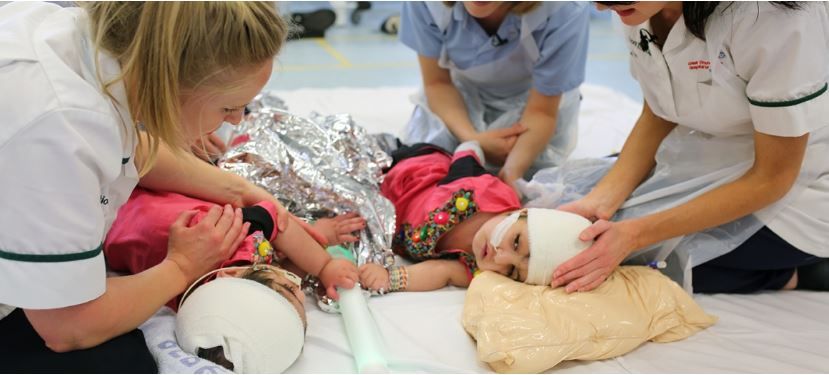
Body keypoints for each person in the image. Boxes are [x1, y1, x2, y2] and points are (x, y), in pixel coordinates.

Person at [0, 2, 351, 372]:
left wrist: (244, 192)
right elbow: (67, 327)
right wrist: (181, 267)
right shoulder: (60, 124)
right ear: (168, 82)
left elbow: (133, 147)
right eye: (228, 106)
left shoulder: (81, 42)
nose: (237, 119)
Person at [549, 2, 829, 294]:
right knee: (578, 206)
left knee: (651, 263)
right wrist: (600, 200)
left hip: (795, 184)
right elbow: (660, 109)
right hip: (713, 153)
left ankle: (800, 274)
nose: (600, 6)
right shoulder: (635, 8)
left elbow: (772, 178)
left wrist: (635, 236)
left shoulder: (775, 19)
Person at [358, 141, 593, 292]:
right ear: (519, 213)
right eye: (516, 242)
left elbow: (441, 272)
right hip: (404, 166)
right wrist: (479, 142)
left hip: (378, 212)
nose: (500, 259)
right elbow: (467, 152)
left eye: (512, 271)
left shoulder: (479, 269)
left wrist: (390, 278)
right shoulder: (480, 189)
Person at [398, 1, 590, 184]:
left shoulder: (564, 9)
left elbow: (542, 111)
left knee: (531, 169)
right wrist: (472, 138)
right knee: (428, 164)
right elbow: (437, 84)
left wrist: (512, 171)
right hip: (457, 100)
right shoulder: (425, 3)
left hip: (531, 111)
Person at [104, 187, 363, 304]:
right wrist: (318, 264)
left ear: (229, 274)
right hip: (118, 236)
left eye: (288, 289)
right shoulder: (201, 292)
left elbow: (272, 216)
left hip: (131, 203)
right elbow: (281, 272)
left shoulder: (226, 238)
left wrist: (324, 265)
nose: (300, 289)